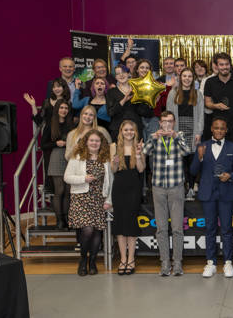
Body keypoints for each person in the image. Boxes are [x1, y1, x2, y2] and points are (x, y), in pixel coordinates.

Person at [190, 117, 233, 278]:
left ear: (226, 130)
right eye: (216, 128)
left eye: (222, 128)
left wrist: (231, 176)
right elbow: (192, 171)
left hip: (226, 193)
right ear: (211, 129)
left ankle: (228, 262)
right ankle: (211, 262)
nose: (219, 131)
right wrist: (199, 158)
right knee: (210, 229)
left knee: (227, 229)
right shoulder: (202, 146)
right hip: (208, 193)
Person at [142, 111, 191, 276]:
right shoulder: (154, 136)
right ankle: (164, 262)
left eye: (170, 121)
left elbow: (187, 151)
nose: (167, 125)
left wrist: (176, 136)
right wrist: (153, 138)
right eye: (164, 122)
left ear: (174, 122)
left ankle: (177, 263)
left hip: (176, 186)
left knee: (177, 228)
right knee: (161, 228)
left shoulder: (180, 136)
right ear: (160, 123)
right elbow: (146, 151)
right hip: (158, 187)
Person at [64, 129, 112, 276]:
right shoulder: (77, 157)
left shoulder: (105, 159)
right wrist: (83, 179)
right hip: (81, 198)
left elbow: (110, 181)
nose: (94, 143)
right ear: (86, 141)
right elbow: (67, 177)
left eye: (97, 141)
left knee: (97, 232)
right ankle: (83, 260)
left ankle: (93, 262)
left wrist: (108, 200)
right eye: (91, 140)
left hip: (99, 199)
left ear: (101, 143)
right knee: (87, 230)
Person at [110, 120, 145, 276]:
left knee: (130, 224)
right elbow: (113, 170)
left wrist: (138, 155)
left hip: (134, 189)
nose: (129, 132)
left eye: (132, 129)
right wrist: (115, 163)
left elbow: (141, 168)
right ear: (121, 131)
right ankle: (123, 259)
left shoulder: (139, 146)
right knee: (119, 224)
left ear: (135, 132)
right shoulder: (114, 146)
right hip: (119, 188)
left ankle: (131, 259)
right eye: (126, 130)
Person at [166, 67, 204, 196]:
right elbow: (169, 115)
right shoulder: (173, 93)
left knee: (192, 160)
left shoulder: (197, 94)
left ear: (192, 79)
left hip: (192, 130)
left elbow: (200, 115)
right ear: (180, 78)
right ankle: (183, 186)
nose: (187, 79)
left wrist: (199, 132)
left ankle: (192, 186)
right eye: (184, 76)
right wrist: (170, 131)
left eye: (189, 76)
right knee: (180, 160)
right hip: (178, 129)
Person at [204, 52, 233, 144]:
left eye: (227, 64)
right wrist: (216, 106)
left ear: (230, 65)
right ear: (216, 66)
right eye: (221, 64)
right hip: (218, 124)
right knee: (219, 150)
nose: (224, 67)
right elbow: (207, 102)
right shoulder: (210, 82)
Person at [41, 99, 73, 229]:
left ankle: (66, 218)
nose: (64, 110)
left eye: (66, 108)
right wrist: (56, 143)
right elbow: (43, 144)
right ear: (57, 109)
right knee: (59, 190)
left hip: (69, 158)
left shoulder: (71, 124)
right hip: (56, 156)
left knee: (67, 191)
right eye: (61, 108)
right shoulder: (50, 124)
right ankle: (59, 220)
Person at [106, 64, 151, 142]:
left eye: (123, 72)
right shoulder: (111, 92)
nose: (121, 75)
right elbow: (110, 112)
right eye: (118, 73)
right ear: (115, 77)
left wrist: (147, 101)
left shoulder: (137, 90)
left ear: (128, 74)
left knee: (136, 153)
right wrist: (124, 100)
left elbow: (144, 112)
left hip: (135, 129)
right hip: (117, 130)